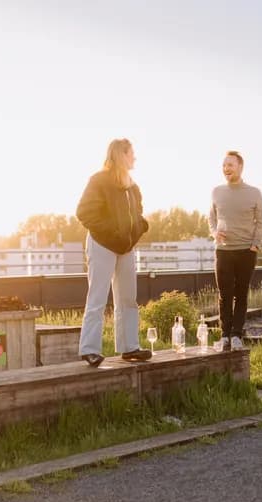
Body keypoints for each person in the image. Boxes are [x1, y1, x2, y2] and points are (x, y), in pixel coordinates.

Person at [76, 138, 151, 367]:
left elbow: (138, 214)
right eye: (132, 153)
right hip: (102, 245)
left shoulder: (132, 186)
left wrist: (138, 229)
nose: (135, 157)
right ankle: (89, 349)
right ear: (122, 155)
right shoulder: (98, 181)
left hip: (126, 248)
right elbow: (84, 213)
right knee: (97, 297)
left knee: (128, 299)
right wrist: (113, 233)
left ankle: (129, 348)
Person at [209, 150, 262, 350]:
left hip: (245, 251)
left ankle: (236, 335)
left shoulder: (254, 192)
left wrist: (255, 244)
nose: (226, 169)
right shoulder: (216, 191)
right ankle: (224, 335)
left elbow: (261, 221)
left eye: (230, 165)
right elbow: (211, 218)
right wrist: (214, 232)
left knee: (241, 294)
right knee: (224, 294)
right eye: (224, 165)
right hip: (223, 251)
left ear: (240, 167)